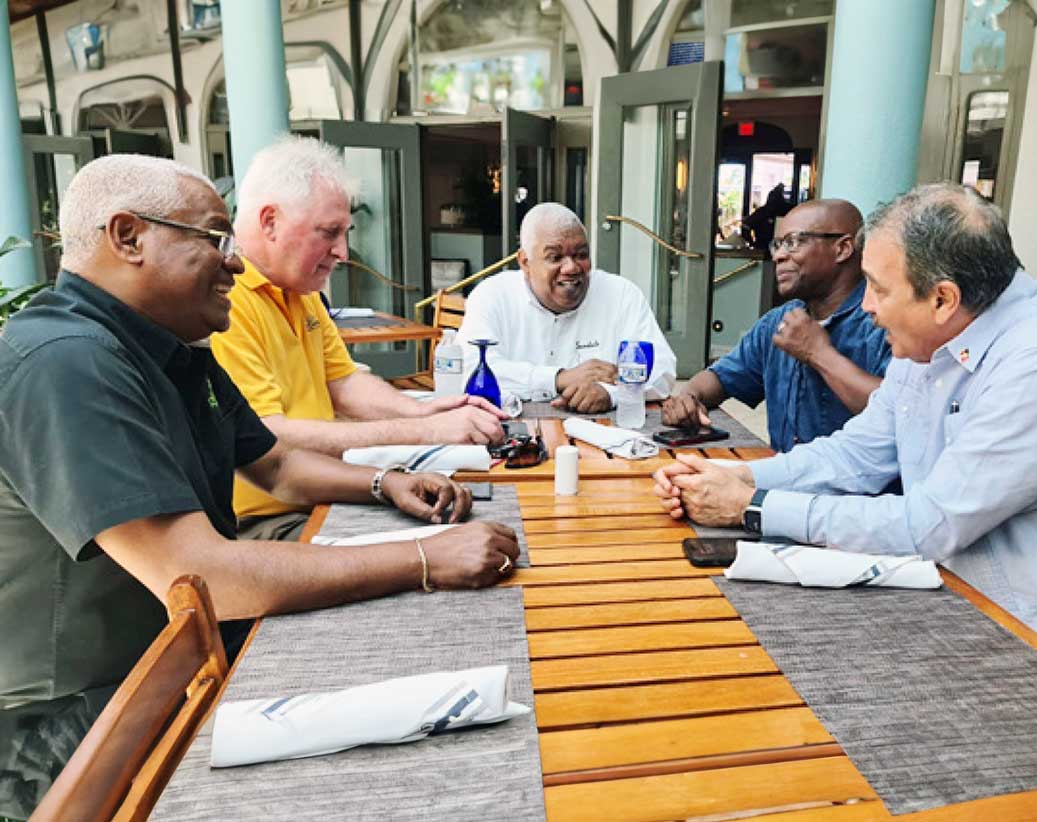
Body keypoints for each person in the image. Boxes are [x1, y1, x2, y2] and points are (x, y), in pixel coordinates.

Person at [0, 155, 518, 818]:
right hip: (80, 719)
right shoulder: (65, 363)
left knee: (421, 663)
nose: (236, 263)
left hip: (184, 657)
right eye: (216, 240)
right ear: (128, 236)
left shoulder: (172, 344)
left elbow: (276, 466)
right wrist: (424, 558)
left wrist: (387, 482)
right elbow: (200, 575)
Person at [653, 183, 1037, 708]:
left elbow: (930, 526)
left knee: (808, 707)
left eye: (878, 288)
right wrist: (740, 479)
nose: (867, 306)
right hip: (968, 614)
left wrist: (752, 508)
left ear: (943, 298)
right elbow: (857, 453)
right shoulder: (937, 333)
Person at [211, 137, 506, 540]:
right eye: (329, 232)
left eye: (345, 232)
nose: (343, 252)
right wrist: (424, 432)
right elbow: (268, 439)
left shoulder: (300, 288)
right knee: (452, 547)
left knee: (478, 522)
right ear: (269, 221)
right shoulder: (223, 299)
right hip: (268, 519)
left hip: (324, 492)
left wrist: (422, 413)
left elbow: (344, 382)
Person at [661, 200, 891, 451]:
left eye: (794, 242)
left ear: (843, 248)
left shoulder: (883, 322)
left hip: (856, 488)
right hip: (783, 479)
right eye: (778, 244)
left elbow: (900, 415)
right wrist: (690, 396)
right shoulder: (778, 322)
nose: (779, 256)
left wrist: (819, 354)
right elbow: (721, 377)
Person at [456, 202, 677, 413]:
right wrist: (558, 378)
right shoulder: (493, 295)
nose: (571, 267)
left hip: (602, 432)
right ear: (525, 262)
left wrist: (611, 394)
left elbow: (662, 371)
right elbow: (469, 368)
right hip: (513, 432)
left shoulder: (621, 294)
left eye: (581, 255)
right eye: (555, 257)